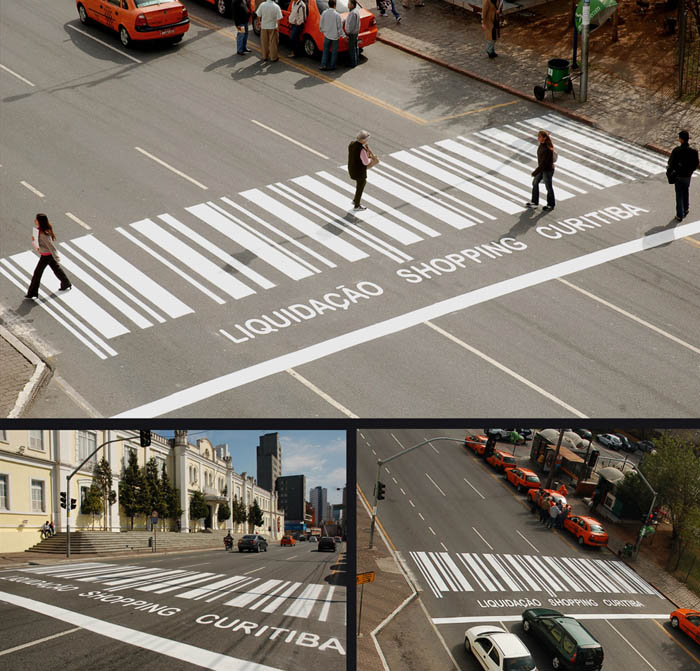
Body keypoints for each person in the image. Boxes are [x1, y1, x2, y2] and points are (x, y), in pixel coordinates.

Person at [25, 214, 72, 299]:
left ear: (40, 221)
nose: (35, 221)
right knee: (56, 269)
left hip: (47, 255)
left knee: (37, 274)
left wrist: (56, 257)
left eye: (36, 219)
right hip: (45, 254)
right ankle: (66, 283)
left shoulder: (44, 234)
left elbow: (51, 246)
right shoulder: (39, 231)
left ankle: (32, 293)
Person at [667, 130, 699, 221]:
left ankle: (679, 215)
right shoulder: (694, 152)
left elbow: (670, 163)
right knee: (686, 191)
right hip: (688, 176)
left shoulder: (676, 150)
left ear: (681, 139)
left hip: (678, 176)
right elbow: (696, 163)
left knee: (679, 195)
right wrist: (690, 171)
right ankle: (686, 208)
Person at [526, 130, 556, 212]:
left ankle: (551, 204)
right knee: (535, 182)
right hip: (542, 169)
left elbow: (543, 164)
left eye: (539, 137)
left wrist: (535, 172)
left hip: (547, 170)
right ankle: (534, 202)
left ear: (544, 138)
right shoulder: (542, 145)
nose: (538, 138)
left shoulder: (548, 149)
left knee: (548, 187)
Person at [348, 130, 375, 211]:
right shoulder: (361, 149)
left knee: (359, 185)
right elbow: (365, 162)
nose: (367, 141)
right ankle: (356, 205)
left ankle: (355, 200)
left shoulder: (352, 144)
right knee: (360, 186)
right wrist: (371, 159)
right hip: (359, 171)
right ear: (363, 140)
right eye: (366, 139)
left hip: (352, 168)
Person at [320, 0, 344, 71]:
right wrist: (343, 36)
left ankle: (323, 65)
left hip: (327, 35)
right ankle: (332, 66)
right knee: (334, 52)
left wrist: (323, 31)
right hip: (335, 37)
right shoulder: (337, 15)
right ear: (335, 5)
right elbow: (339, 28)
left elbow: (321, 24)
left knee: (325, 50)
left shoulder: (324, 13)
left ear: (328, 4)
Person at [344, 0, 361, 68]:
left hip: (352, 34)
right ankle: (356, 60)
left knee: (351, 49)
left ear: (352, 5)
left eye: (349, 4)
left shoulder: (353, 13)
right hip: (355, 32)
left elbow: (350, 25)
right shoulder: (355, 11)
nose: (348, 5)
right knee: (355, 47)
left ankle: (353, 63)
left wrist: (347, 32)